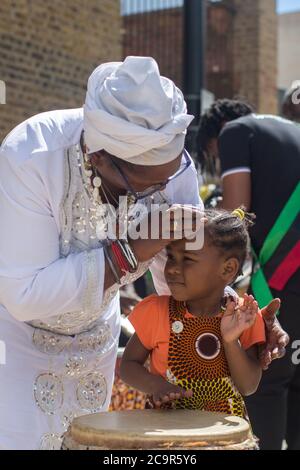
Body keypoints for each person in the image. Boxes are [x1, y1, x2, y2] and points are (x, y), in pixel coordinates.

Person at [0, 58, 287, 449]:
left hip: (95, 340)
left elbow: (193, 277)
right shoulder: (30, 156)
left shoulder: (171, 171)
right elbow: (23, 294)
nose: (159, 193)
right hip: (16, 343)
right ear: (97, 158)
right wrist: (132, 252)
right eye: (144, 187)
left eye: (165, 181)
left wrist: (238, 316)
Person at [197, 99, 300, 449]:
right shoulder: (292, 132)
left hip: (278, 290)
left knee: (265, 388)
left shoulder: (236, 132)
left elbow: (233, 223)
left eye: (215, 155)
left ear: (219, 131)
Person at [120, 208, 264, 426]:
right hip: (166, 434)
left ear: (227, 269)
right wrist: (156, 386)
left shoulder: (243, 316)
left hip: (224, 438)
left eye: (187, 259)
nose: (172, 269)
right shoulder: (157, 312)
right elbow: (128, 365)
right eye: (171, 256)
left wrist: (230, 340)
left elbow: (248, 385)